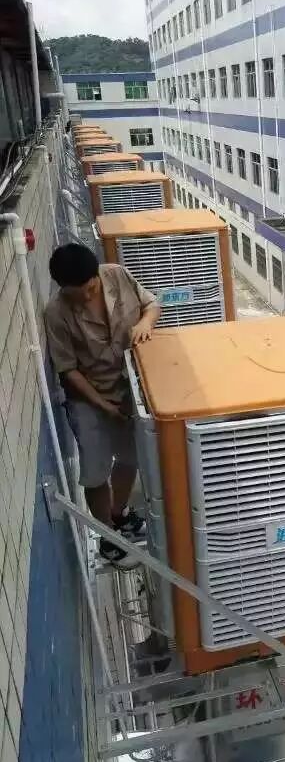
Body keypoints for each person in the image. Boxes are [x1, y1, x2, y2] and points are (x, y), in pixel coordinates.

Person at [44, 243, 162, 567]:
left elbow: (152, 304)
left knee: (129, 457)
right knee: (96, 471)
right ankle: (108, 536)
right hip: (89, 398)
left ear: (97, 274)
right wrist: (103, 406)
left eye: (90, 288)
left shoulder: (117, 275)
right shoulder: (56, 314)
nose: (86, 296)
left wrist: (145, 323)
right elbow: (68, 371)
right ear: (62, 288)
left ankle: (118, 514)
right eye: (77, 294)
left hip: (129, 390)